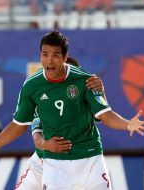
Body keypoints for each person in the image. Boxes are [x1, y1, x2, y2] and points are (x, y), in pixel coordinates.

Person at [0, 31, 144, 190]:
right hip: (52, 162)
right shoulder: (32, 86)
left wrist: (128, 124)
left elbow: (105, 115)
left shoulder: (85, 81)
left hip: (90, 157)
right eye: (45, 54)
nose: (49, 61)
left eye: (55, 55)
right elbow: (20, 126)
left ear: (65, 57)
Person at [15, 58, 105, 190]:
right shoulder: (43, 95)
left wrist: (101, 92)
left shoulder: (82, 90)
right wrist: (45, 145)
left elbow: (100, 116)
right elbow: (37, 135)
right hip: (41, 163)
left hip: (78, 161)